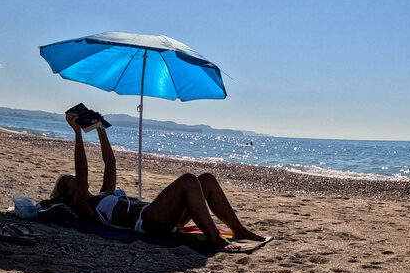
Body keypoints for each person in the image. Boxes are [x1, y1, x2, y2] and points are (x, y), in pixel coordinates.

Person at [50, 108, 262, 252]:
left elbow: (110, 164)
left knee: (205, 179)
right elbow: (83, 169)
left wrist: (99, 129)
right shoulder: (83, 207)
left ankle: (238, 229)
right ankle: (215, 239)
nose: (77, 178)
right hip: (149, 222)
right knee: (188, 180)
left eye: (74, 176)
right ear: (69, 193)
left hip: (160, 215)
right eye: (72, 179)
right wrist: (77, 133)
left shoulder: (101, 195)